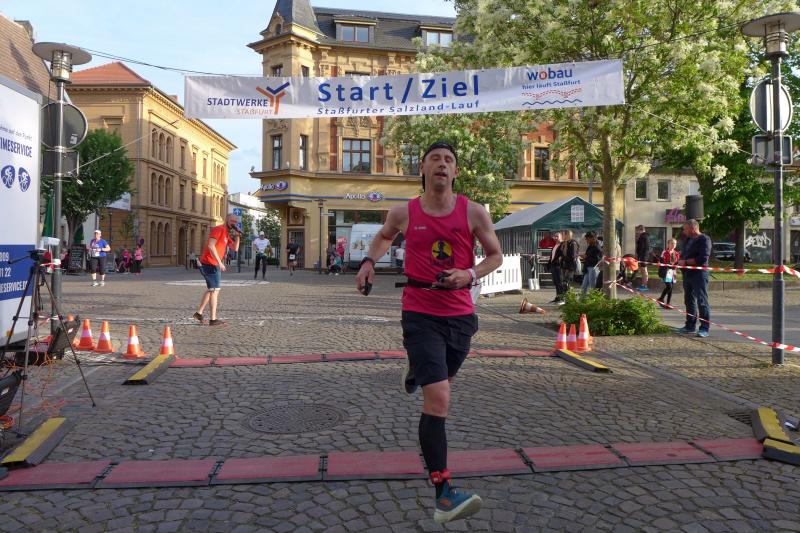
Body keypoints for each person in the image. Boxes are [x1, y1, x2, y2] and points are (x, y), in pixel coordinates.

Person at [355, 141, 502, 524]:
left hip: (461, 317)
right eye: (435, 159)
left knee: (441, 382)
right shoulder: (404, 211)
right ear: (422, 168)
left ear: (455, 171)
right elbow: (385, 236)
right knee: (439, 398)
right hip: (420, 313)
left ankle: (417, 370)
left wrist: (469, 274)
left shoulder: (474, 212)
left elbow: (495, 256)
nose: (442, 164)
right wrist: (369, 261)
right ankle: (443, 493)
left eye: (448, 160)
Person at [193, 213, 240, 326]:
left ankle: (199, 313)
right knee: (215, 290)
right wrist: (220, 262)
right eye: (232, 221)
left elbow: (235, 248)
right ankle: (213, 319)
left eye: (235, 222)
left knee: (211, 289)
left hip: (213, 263)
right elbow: (211, 245)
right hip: (210, 263)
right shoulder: (218, 229)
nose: (233, 223)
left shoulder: (226, 233)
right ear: (226, 220)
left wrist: (238, 236)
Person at [676, 219, 711, 337]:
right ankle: (690, 326)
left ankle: (704, 328)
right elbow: (684, 254)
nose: (684, 231)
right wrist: (680, 261)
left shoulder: (704, 239)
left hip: (699, 274)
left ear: (693, 228)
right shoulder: (688, 239)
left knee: (702, 301)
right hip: (687, 274)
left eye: (685, 229)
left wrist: (685, 262)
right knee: (689, 300)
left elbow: (703, 258)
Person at [553, 229, 579, 304]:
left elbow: (573, 256)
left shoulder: (573, 243)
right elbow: (560, 253)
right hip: (564, 266)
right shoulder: (564, 243)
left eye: (563, 234)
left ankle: (567, 300)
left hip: (570, 266)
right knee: (564, 283)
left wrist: (563, 258)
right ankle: (567, 299)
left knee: (566, 283)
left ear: (567, 235)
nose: (562, 236)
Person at [657, 238, 680, 307]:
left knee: (671, 288)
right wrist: (667, 264)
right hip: (666, 272)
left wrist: (676, 267)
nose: (673, 245)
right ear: (668, 244)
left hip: (673, 272)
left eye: (675, 243)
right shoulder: (664, 252)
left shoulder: (676, 253)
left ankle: (668, 303)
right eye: (672, 243)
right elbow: (662, 261)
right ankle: (661, 298)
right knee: (669, 286)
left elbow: (677, 263)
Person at [547, 231, 563, 303]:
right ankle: (558, 297)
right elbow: (552, 256)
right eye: (555, 236)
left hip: (558, 266)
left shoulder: (562, 245)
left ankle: (561, 298)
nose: (555, 238)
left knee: (559, 282)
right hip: (553, 265)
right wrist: (549, 264)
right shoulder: (555, 245)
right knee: (556, 282)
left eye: (557, 236)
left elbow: (562, 255)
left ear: (561, 237)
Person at [635, 225, 650, 291]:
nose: (637, 232)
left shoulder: (643, 237)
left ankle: (645, 285)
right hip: (644, 255)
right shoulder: (645, 236)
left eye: (637, 231)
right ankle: (643, 284)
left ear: (640, 230)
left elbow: (641, 248)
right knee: (642, 270)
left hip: (643, 256)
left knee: (644, 270)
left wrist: (639, 256)